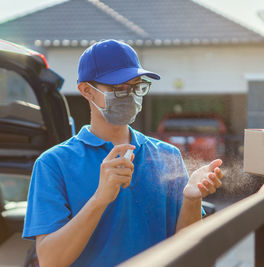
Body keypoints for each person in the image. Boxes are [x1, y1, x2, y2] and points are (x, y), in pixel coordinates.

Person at [22, 39, 224, 267]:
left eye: (137, 86)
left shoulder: (168, 156)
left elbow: (188, 254)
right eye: (119, 88)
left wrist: (191, 200)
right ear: (87, 91)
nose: (130, 96)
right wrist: (100, 199)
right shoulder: (53, 164)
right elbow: (50, 261)